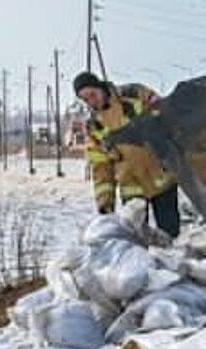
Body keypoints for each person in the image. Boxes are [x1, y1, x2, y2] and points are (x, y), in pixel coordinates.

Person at [73, 71, 181, 236]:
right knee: (137, 239)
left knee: (169, 234)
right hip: (131, 188)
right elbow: (101, 167)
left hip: (161, 178)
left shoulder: (135, 94)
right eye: (85, 100)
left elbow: (166, 117)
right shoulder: (94, 126)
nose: (91, 102)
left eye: (92, 94)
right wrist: (105, 203)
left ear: (101, 87)